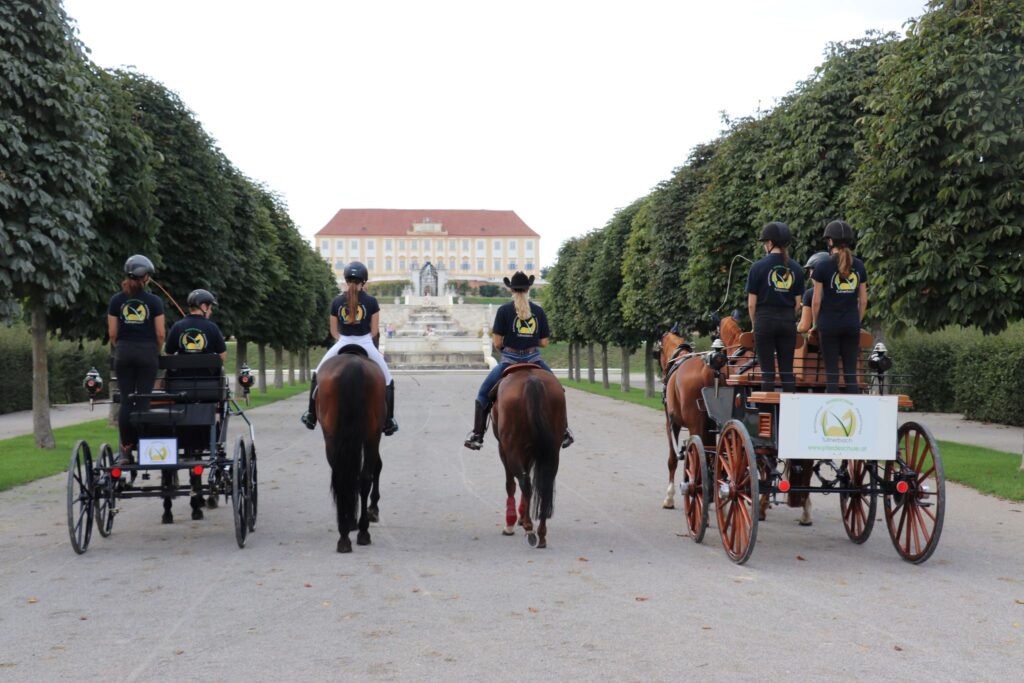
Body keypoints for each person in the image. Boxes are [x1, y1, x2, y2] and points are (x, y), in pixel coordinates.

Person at [464, 271, 573, 450]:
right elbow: (544, 342)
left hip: (510, 360)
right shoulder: (538, 311)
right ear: (528, 289)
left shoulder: (504, 310)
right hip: (534, 360)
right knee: (558, 390)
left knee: (483, 394)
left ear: (511, 290)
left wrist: (508, 346)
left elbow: (498, 342)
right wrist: (529, 340)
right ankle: (564, 432)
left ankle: (477, 435)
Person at [301, 261, 398, 435]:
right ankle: (389, 421)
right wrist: (364, 340)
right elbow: (374, 331)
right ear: (364, 281)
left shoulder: (336, 301)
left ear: (346, 280)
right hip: (366, 343)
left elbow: (333, 331)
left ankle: (311, 415)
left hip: (343, 342)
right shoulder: (372, 301)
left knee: (317, 374)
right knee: (388, 379)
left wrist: (344, 338)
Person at [107, 254, 165, 465]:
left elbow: (112, 333)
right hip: (147, 353)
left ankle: (126, 449)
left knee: (126, 400)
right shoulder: (154, 301)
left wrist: (122, 348)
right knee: (143, 400)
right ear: (146, 277)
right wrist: (153, 350)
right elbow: (160, 334)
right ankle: (144, 444)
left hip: (123, 354)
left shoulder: (116, 300)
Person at [746, 221, 804, 392]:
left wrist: (755, 324)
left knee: (768, 373)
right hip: (787, 321)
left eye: (765, 243)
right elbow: (797, 304)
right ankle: (790, 412)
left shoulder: (757, 267)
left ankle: (767, 412)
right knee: (787, 372)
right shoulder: (796, 268)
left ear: (770, 243)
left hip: (764, 320)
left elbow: (751, 304)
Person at [812, 220, 868, 393]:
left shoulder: (822, 266)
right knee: (851, 374)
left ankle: (832, 413)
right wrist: (856, 321)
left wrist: (815, 323)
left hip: (828, 325)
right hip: (851, 324)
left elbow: (816, 301)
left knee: (832, 374)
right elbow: (864, 300)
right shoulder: (859, 266)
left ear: (830, 242)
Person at [164, 289, 227, 362]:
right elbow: (222, 356)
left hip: (183, 373)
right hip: (206, 373)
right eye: (210, 308)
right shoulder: (212, 327)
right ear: (203, 307)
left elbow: (168, 354)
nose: (211, 311)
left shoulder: (177, 326)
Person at [797, 252, 830, 335]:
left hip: (824, 339)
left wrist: (796, 325)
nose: (810, 275)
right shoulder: (844, 290)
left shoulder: (810, 294)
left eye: (811, 270)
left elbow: (804, 326)